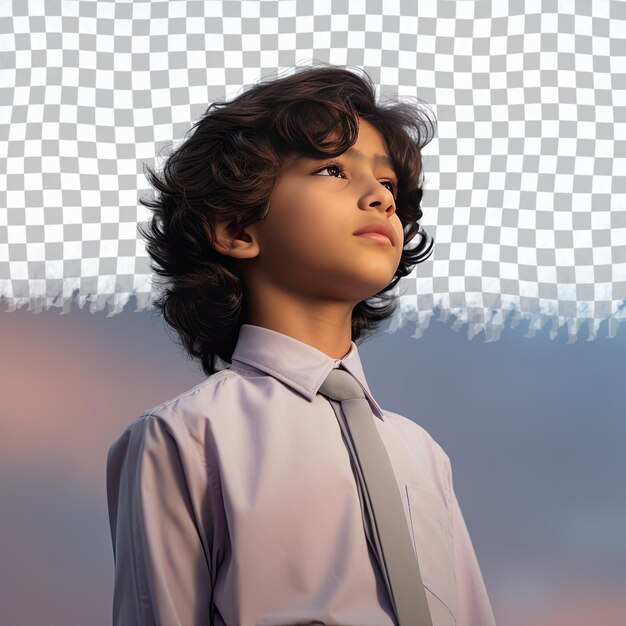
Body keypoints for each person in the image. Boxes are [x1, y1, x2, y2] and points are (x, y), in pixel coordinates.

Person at [106, 63, 497, 626]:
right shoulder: (185, 438)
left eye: (387, 183)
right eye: (333, 169)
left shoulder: (424, 456)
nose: (381, 199)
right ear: (238, 228)